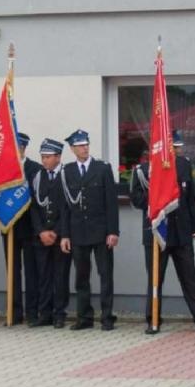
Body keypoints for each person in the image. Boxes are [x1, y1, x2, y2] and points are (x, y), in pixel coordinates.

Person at [129, 132, 195, 335]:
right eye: (174, 147)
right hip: (157, 232)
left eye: (178, 147)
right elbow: (136, 200)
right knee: (155, 279)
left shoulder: (183, 165)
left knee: (190, 276)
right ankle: (153, 319)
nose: (178, 150)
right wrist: (157, 194)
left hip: (181, 230)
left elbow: (190, 198)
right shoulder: (143, 170)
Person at [59, 130, 119, 330]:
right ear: (73, 149)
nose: (85, 148)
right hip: (78, 233)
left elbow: (111, 203)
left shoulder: (102, 168)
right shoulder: (67, 171)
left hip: (101, 231)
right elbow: (65, 207)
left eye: (86, 144)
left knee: (106, 275)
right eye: (80, 146)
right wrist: (65, 235)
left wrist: (113, 231)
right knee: (81, 277)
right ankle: (84, 318)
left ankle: (107, 317)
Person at [30, 139, 69, 328]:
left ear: (58, 157)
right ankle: (44, 313)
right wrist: (41, 231)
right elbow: (34, 208)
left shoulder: (66, 175)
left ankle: (59, 314)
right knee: (43, 276)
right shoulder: (38, 177)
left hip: (60, 236)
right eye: (42, 157)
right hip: (42, 237)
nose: (44, 161)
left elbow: (68, 207)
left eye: (47, 157)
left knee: (60, 276)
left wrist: (56, 231)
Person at [11, 133, 40, 325]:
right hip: (10, 226)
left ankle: (32, 312)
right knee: (12, 271)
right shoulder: (4, 169)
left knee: (31, 271)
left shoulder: (35, 169)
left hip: (30, 227)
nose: (16, 150)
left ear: (24, 148)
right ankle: (13, 312)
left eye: (19, 147)